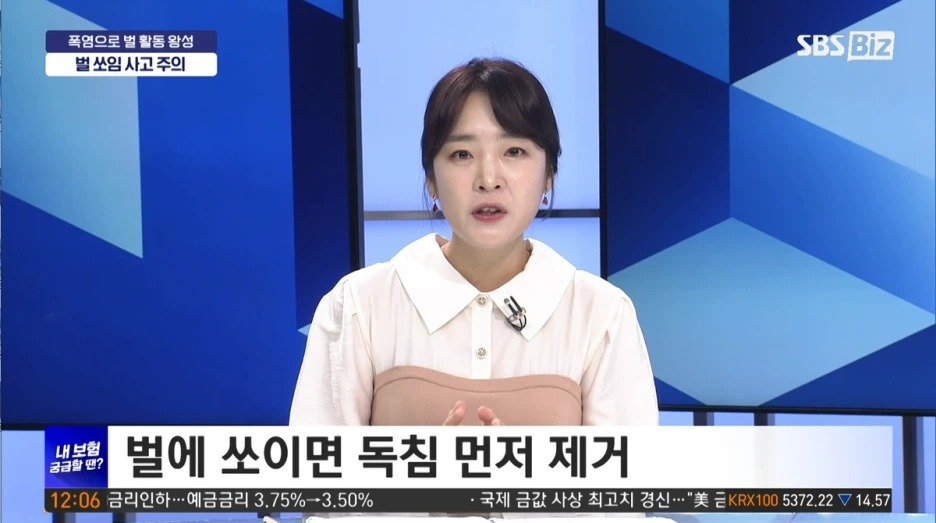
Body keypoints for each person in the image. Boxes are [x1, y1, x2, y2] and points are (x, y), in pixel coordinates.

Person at [289, 57, 658, 429]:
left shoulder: (600, 314)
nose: (488, 178)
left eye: (514, 151)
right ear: (431, 180)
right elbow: (315, 464)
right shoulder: (360, 306)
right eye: (462, 154)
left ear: (548, 174)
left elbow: (635, 465)